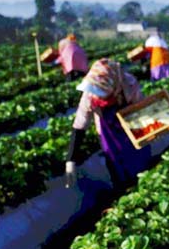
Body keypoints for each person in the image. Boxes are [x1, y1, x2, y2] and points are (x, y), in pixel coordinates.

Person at [65, 58, 152, 189]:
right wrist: (71, 160)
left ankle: (143, 187)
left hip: (131, 126)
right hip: (108, 134)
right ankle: (123, 190)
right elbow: (80, 125)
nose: (99, 97)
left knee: (138, 162)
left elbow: (140, 110)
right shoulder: (90, 93)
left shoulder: (128, 84)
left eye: (102, 93)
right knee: (115, 166)